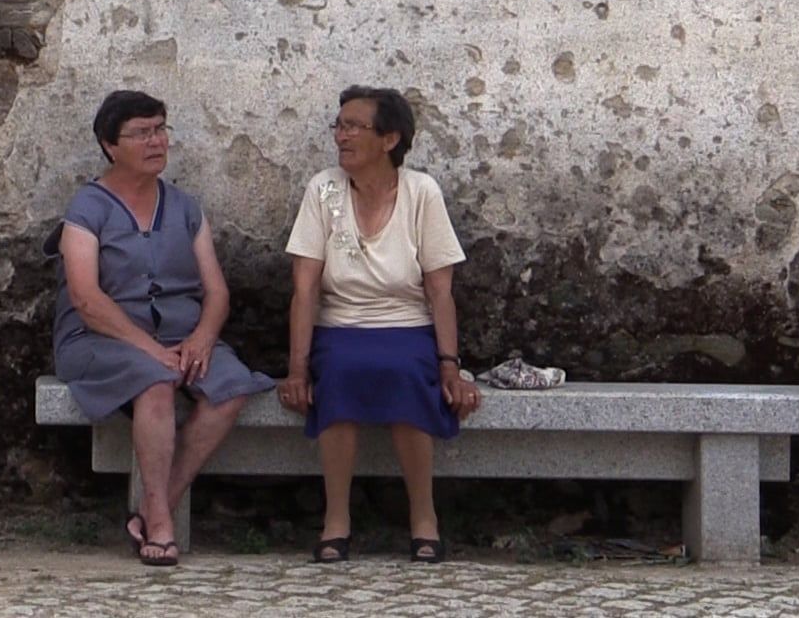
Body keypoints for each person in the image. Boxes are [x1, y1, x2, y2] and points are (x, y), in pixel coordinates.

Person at [49, 90, 275, 566]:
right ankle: (162, 523)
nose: (156, 142)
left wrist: (202, 339)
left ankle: (156, 504)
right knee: (155, 384)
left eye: (160, 129)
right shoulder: (87, 208)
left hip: (181, 336)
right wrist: (150, 350)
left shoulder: (186, 207)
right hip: (101, 339)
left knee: (230, 388)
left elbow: (216, 292)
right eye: (141, 133)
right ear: (110, 146)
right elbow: (87, 299)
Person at [276, 85, 483, 563]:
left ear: (389, 139)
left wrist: (450, 366)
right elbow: (305, 287)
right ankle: (336, 519)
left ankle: (424, 516)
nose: (341, 136)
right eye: (339, 125)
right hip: (340, 326)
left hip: (406, 326)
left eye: (354, 127)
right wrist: (297, 368)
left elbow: (439, 289)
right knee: (343, 374)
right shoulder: (323, 189)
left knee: (408, 375)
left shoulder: (421, 192)